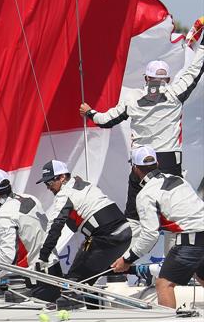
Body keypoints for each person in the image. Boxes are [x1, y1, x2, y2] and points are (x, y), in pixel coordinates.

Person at [79, 23, 204, 224]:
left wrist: (89, 112)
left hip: (142, 162)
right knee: (174, 215)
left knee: (135, 215)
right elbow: (196, 69)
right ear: (168, 79)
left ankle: (133, 253)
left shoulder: (132, 98)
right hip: (170, 160)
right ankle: (165, 255)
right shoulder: (175, 93)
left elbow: (105, 121)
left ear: (146, 78)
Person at [111, 146, 204, 308]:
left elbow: (149, 235)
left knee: (164, 284)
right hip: (199, 236)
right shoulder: (179, 180)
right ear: (157, 163)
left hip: (191, 240)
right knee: (202, 277)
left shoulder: (146, 194)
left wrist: (127, 259)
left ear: (134, 168)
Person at [36, 160, 131, 302]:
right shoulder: (83, 183)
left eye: (49, 183)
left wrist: (43, 255)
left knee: (73, 282)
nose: (49, 188)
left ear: (62, 178)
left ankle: (76, 316)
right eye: (46, 184)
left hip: (107, 237)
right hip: (125, 233)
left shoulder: (64, 194)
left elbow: (55, 226)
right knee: (88, 279)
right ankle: (95, 312)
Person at [0, 168, 62, 302]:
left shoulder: (4, 214)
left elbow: (7, 257)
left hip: (41, 276)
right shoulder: (30, 198)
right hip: (54, 265)